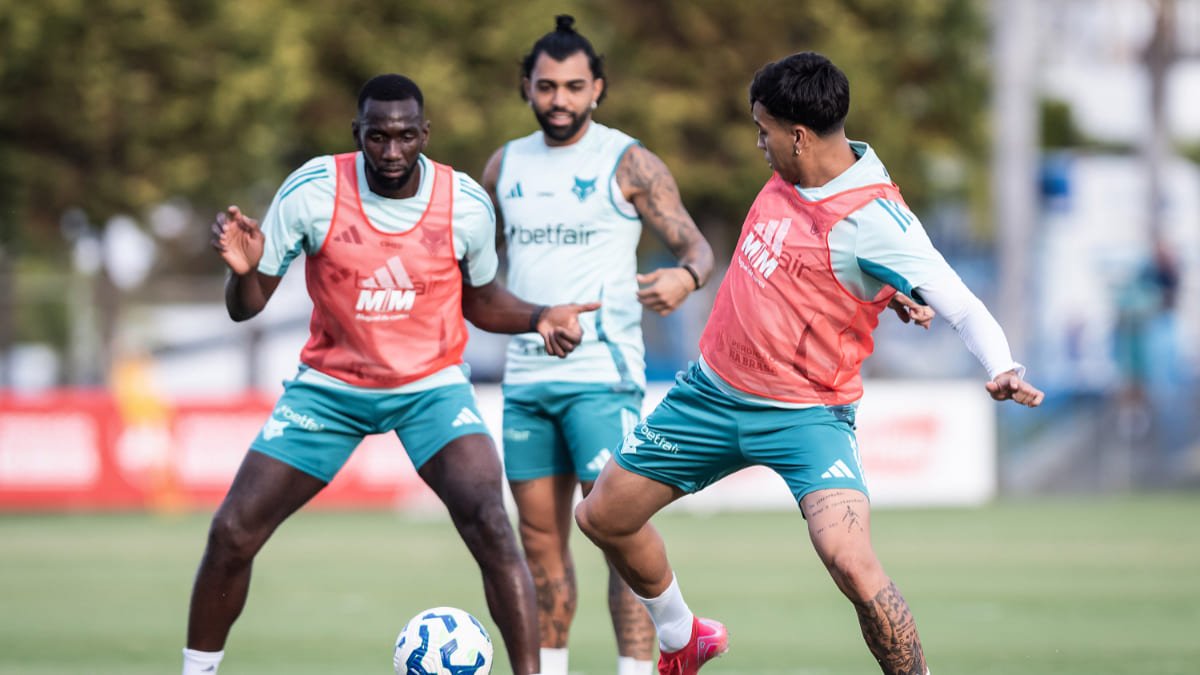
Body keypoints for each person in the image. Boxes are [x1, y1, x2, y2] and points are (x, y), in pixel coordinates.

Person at [575, 52, 1044, 675]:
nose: (758, 142)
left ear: (798, 137)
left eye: (764, 130)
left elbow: (960, 304)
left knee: (849, 561)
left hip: (807, 417)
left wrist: (1003, 363)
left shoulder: (877, 220)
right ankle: (683, 637)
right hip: (709, 396)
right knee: (602, 515)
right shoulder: (794, 174)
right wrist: (883, 293)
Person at [184, 73, 595, 675]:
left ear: (425, 134)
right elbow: (247, 306)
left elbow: (478, 302)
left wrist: (539, 317)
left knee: (490, 522)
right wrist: (242, 273)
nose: (393, 151)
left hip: (429, 387)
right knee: (232, 531)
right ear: (359, 134)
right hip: (331, 390)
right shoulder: (313, 191)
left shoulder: (466, 205)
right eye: (378, 137)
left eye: (406, 136)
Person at [478, 15, 715, 675]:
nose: (561, 100)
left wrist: (685, 275)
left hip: (602, 377)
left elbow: (697, 246)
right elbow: (478, 272)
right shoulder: (504, 165)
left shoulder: (629, 161)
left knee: (617, 530)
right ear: (526, 86)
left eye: (575, 86)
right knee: (539, 543)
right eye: (547, 86)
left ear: (598, 88)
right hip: (525, 380)